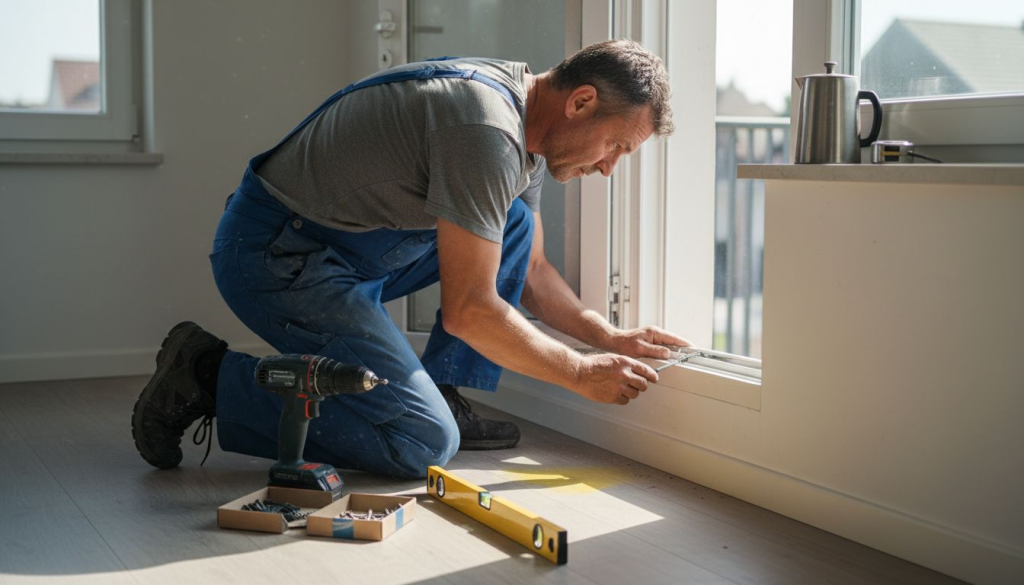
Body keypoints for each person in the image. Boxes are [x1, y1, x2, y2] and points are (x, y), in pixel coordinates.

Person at [132, 39, 689, 479]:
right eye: (617, 145)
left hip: (343, 244)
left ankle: (439, 390)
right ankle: (206, 375)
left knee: (512, 222)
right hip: (277, 255)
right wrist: (578, 372)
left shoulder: (524, 127)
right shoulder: (487, 132)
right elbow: (470, 310)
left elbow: (534, 271)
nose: (610, 166)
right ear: (582, 101)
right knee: (422, 443)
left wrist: (606, 338)